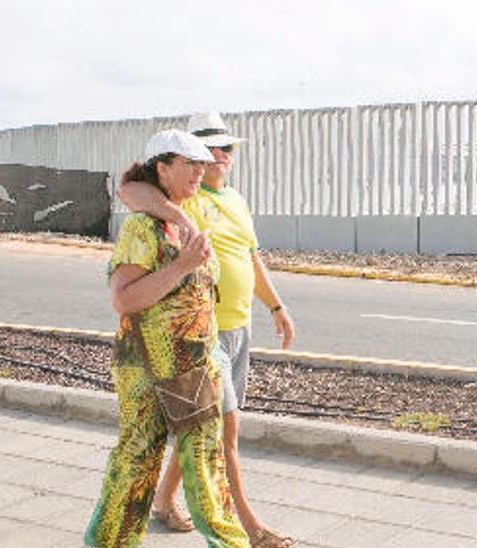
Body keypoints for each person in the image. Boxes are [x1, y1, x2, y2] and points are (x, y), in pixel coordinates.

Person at [118, 112, 296, 548]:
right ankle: (248, 528)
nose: (218, 157)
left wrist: (275, 305)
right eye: (206, 150)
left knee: (202, 427)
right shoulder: (186, 198)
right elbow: (128, 188)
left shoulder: (234, 200)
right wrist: (177, 215)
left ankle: (162, 502)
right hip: (206, 334)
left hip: (240, 329)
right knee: (224, 431)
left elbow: (249, 258)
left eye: (226, 149)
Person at [85, 129, 250, 547]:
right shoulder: (143, 228)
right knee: (137, 461)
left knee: (206, 463)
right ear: (162, 168)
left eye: (202, 163)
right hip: (146, 368)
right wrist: (181, 267)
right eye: (188, 164)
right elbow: (124, 298)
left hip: (192, 368)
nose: (200, 171)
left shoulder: (185, 212)